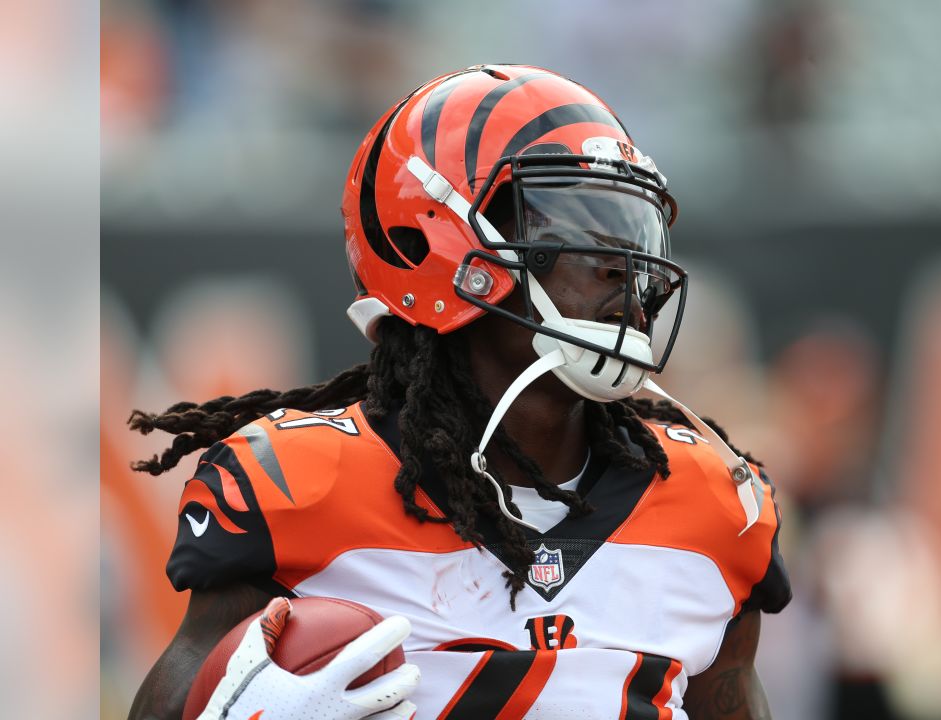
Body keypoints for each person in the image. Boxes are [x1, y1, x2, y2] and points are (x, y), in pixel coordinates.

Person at [127, 64, 790, 720]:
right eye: (576, 226)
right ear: (436, 241)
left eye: (627, 225)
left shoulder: (713, 504)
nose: (622, 263)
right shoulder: (301, 489)